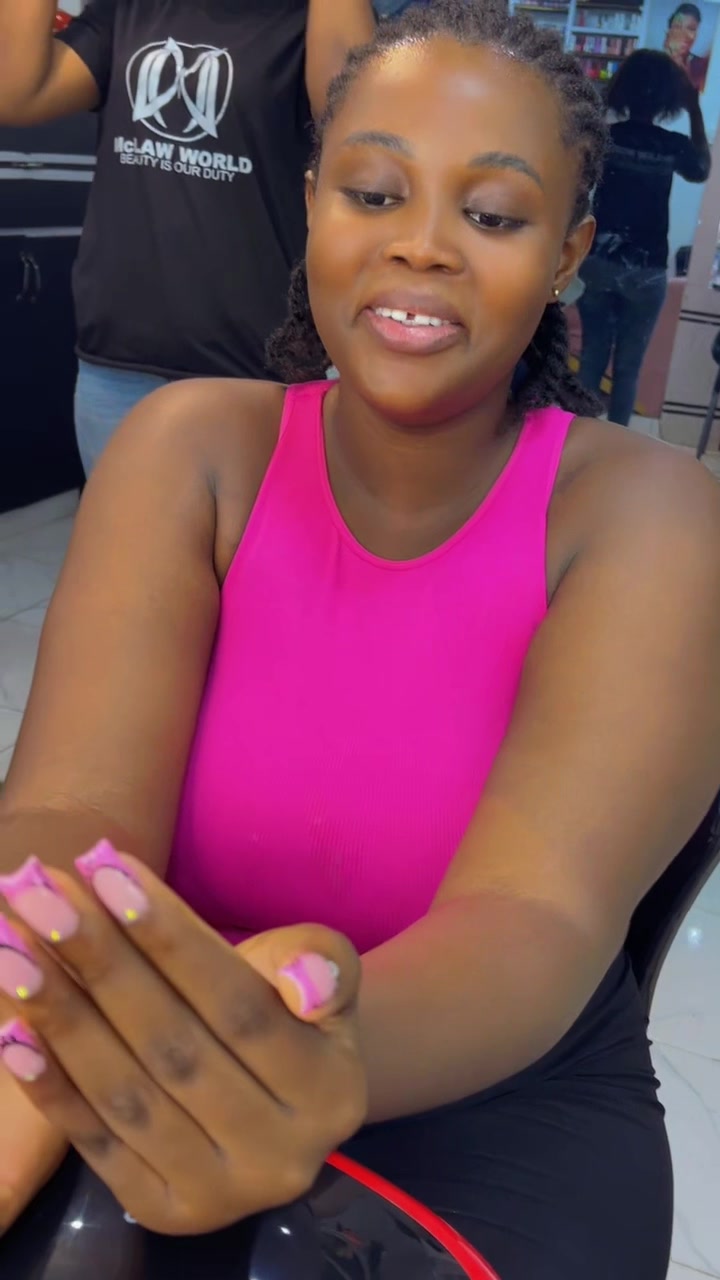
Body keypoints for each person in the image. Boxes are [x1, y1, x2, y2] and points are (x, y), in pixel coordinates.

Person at [1, 3, 720, 1277]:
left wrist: (305, 1046)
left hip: (495, 1112)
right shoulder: (190, 448)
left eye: (491, 214)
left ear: (570, 253)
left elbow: (536, 917)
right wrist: (53, 975)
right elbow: (68, 806)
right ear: (312, 204)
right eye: (374, 193)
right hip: (154, 1029)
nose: (421, 244)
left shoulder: (650, 513)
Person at [0, 0, 374, 472]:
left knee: (252, 524)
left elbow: (354, 123)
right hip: (116, 371)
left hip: (250, 375)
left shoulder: (306, 20)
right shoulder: (131, 11)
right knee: (123, 522)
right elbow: (17, 92)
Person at [577, 48, 710, 425]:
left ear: (624, 89)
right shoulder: (672, 146)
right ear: (669, 98)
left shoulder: (606, 138)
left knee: (591, 357)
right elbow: (701, 169)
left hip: (598, 263)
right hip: (646, 270)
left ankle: (574, 441)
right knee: (628, 369)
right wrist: (695, 111)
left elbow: (579, 150)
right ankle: (616, 442)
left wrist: (607, 98)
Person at [664, 2, 709, 93]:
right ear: (669, 31)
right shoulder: (653, 62)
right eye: (677, 27)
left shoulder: (703, 66)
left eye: (691, 29)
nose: (683, 34)